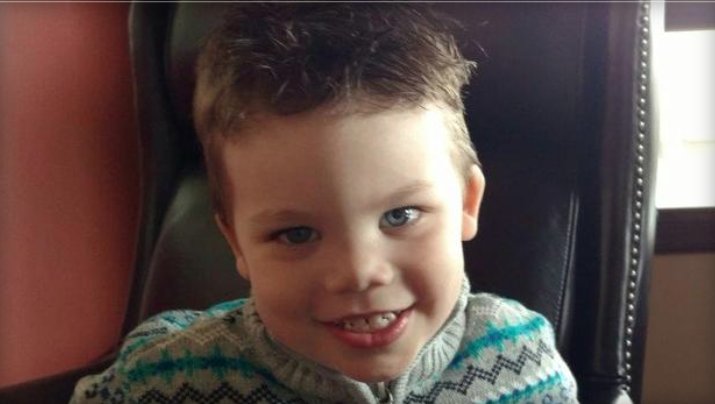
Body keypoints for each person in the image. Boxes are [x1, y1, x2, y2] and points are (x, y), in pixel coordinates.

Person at [72, 4, 578, 403]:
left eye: (400, 216)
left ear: (467, 203)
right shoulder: (165, 376)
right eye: (296, 234)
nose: (358, 273)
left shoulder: (523, 363)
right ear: (236, 243)